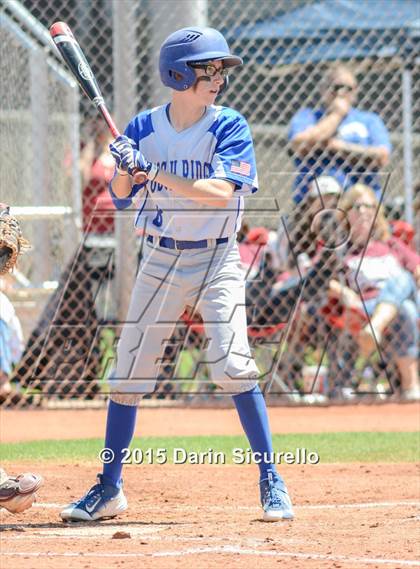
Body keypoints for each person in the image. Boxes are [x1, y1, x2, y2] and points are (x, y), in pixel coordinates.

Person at [60, 27, 293, 523]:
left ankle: (271, 479)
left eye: (219, 70)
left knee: (233, 365)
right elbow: (123, 195)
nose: (218, 79)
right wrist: (124, 166)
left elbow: (220, 192)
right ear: (178, 73)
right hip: (160, 258)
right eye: (208, 69)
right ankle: (109, 488)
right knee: (127, 375)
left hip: (217, 259)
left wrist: (155, 170)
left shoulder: (230, 125)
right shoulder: (143, 127)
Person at [327, 183, 419, 400]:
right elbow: (322, 281)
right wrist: (344, 292)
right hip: (365, 305)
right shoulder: (341, 250)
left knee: (403, 282)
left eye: (369, 206)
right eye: (357, 207)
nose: (363, 212)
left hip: (393, 305)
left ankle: (375, 328)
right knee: (404, 308)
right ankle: (410, 384)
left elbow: (416, 268)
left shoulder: (392, 244)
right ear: (346, 213)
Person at [289, 64, 392, 203]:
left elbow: (381, 157)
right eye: (336, 87)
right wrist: (337, 115)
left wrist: (339, 147)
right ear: (323, 90)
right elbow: (300, 145)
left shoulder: (369, 120)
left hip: (361, 202)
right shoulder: (308, 116)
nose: (341, 93)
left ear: (356, 91)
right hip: (314, 202)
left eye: (347, 88)